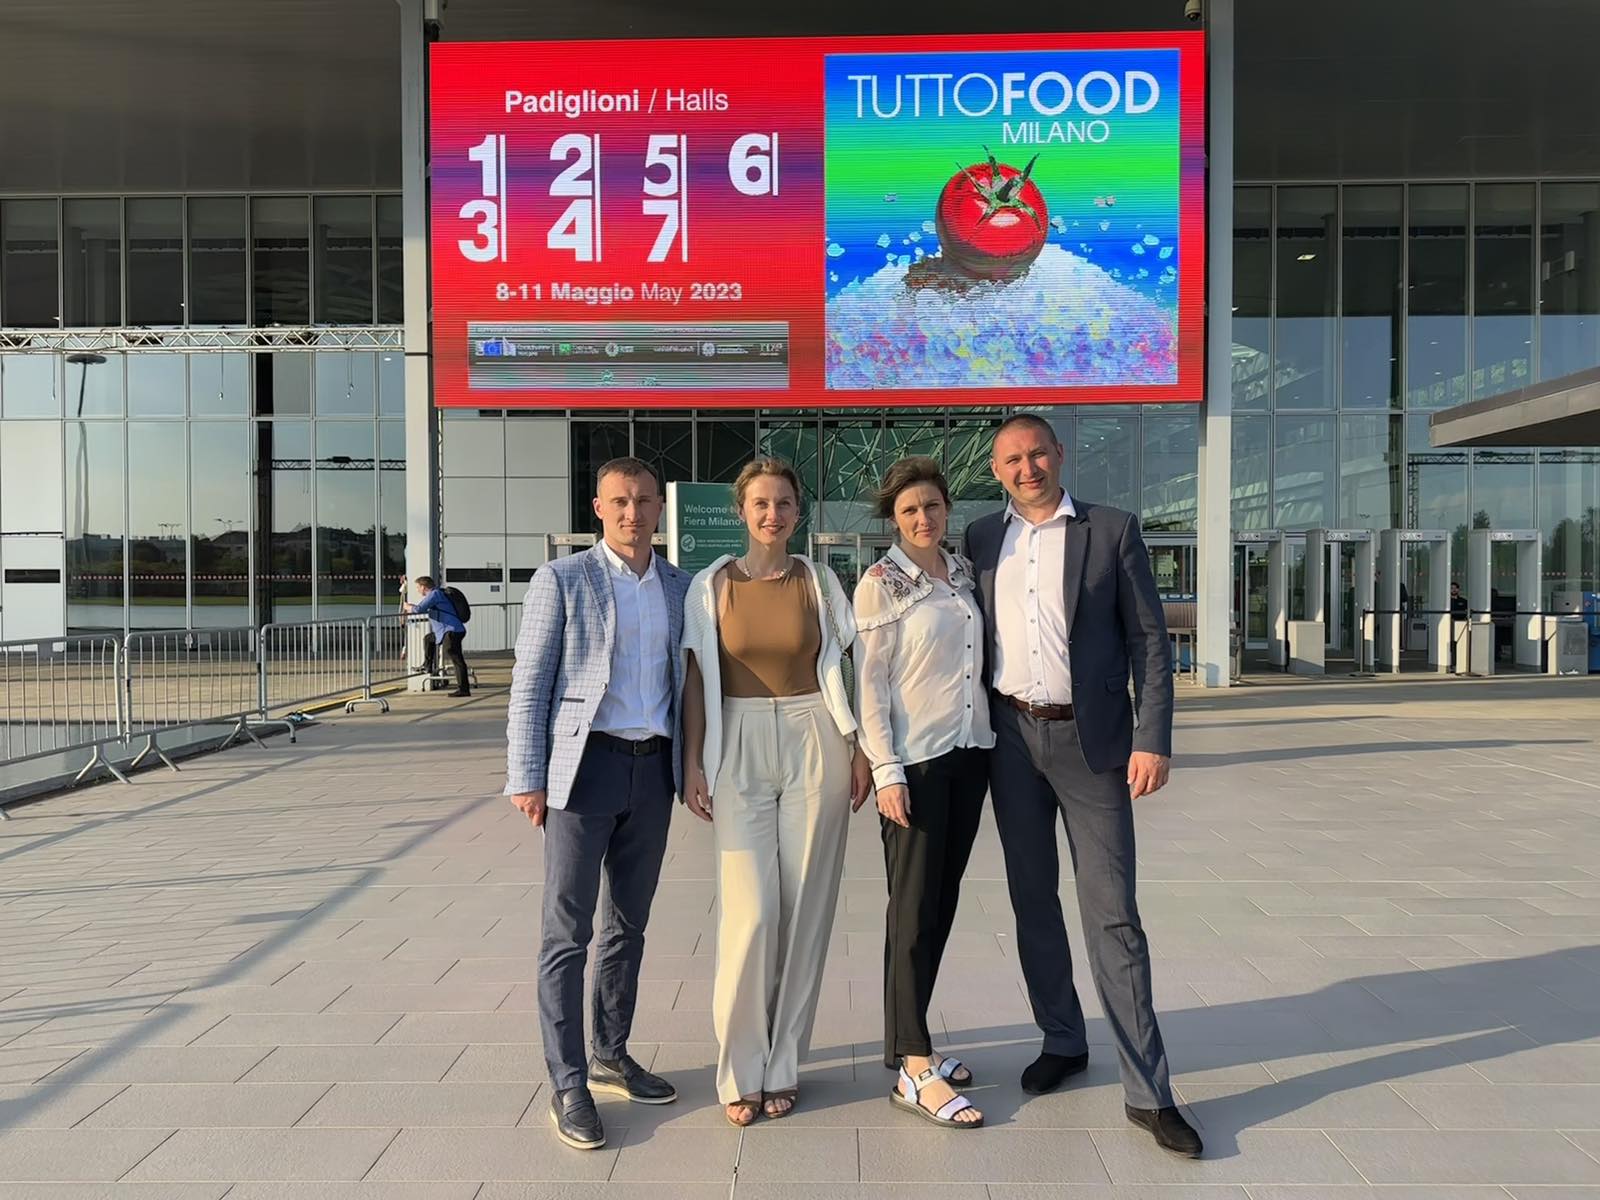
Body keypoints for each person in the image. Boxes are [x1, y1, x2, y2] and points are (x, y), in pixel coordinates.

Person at [962, 413, 1202, 1158]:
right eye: (1012, 459)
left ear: (1059, 455)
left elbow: (1149, 641)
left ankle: (1149, 1092)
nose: (1026, 468)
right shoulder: (980, 538)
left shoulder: (1112, 530)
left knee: (1112, 912)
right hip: (1010, 740)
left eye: (1037, 454)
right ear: (996, 470)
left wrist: (1151, 738)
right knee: (1032, 900)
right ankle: (1062, 1037)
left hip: (1093, 745)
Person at [504, 456, 692, 1152]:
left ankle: (611, 1052)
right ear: (598, 508)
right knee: (567, 933)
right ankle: (568, 1082)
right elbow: (531, 681)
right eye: (620, 501)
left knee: (627, 927)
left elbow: (689, 682)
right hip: (584, 773)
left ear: (659, 509)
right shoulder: (562, 579)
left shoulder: (680, 586)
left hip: (653, 772)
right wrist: (527, 777)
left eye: (644, 501)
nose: (632, 513)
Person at [679, 457, 873, 1127]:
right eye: (760, 503)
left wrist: (860, 745)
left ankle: (783, 1063)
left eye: (784, 503)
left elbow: (852, 663)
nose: (772, 514)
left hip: (814, 735)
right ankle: (740, 1069)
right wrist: (693, 761)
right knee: (753, 911)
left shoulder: (819, 581)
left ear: (797, 511)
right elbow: (696, 678)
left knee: (806, 908)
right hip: (736, 742)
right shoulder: (710, 585)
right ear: (741, 511)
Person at [854, 457, 993, 1130]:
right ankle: (913, 1067)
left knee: (939, 905)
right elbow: (870, 684)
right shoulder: (880, 584)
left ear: (946, 509)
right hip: (917, 764)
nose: (923, 518)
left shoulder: (961, 572)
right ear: (894, 518)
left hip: (970, 755)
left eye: (932, 506)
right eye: (909, 510)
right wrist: (886, 771)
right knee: (911, 912)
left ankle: (911, 1044)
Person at [405, 576, 469, 697]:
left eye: (418, 587)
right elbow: (424, 608)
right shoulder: (438, 593)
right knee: (429, 639)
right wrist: (413, 607)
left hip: (451, 631)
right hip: (449, 630)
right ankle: (427, 666)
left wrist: (408, 607)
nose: (417, 590)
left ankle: (463, 689)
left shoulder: (434, 594)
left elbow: (419, 609)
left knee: (457, 660)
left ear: (423, 587)